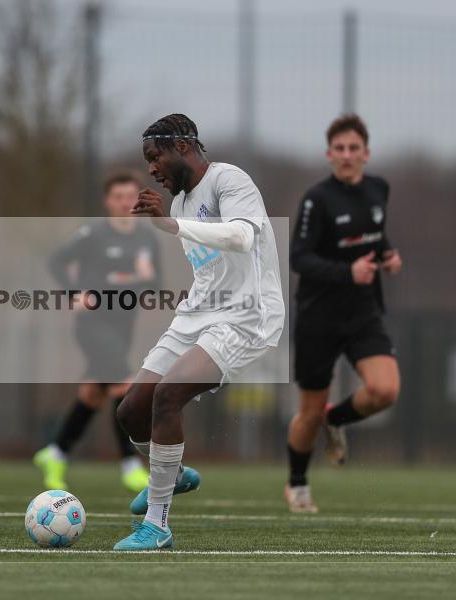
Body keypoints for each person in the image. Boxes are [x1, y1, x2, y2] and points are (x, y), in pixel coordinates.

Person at [112, 114, 284, 550]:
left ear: (183, 147)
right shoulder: (180, 204)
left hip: (248, 315)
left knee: (169, 395)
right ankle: (172, 473)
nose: (151, 169)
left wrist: (170, 226)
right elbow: (209, 271)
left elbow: (243, 238)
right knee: (132, 411)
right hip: (198, 314)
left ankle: (157, 524)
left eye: (155, 158)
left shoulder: (230, 180)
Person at [285, 113, 402, 513]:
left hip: (363, 312)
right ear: (329, 154)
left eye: (354, 148)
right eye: (340, 149)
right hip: (319, 317)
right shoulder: (317, 200)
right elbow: (298, 258)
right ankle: (297, 483)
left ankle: (337, 419)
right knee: (308, 413)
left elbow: (374, 230)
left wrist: (387, 253)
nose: (347, 155)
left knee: (385, 390)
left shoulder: (378, 189)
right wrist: (346, 271)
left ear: (366, 154)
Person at [33, 173, 161, 493]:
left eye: (131, 196)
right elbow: (57, 261)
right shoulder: (93, 234)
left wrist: (147, 280)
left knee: (93, 393)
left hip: (123, 327)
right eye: (118, 196)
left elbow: (156, 288)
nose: (125, 202)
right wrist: (74, 292)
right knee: (123, 384)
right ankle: (130, 463)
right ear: (108, 201)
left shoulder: (147, 239)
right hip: (92, 325)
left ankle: (56, 451)